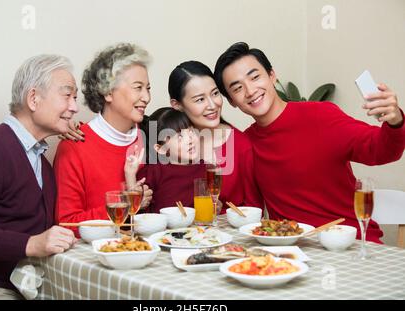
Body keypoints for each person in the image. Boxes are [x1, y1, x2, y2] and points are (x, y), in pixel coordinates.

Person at [214, 42, 405, 243]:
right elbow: (249, 210)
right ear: (232, 101)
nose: (250, 90)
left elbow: (382, 151)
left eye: (255, 77)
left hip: (351, 242)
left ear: (271, 76)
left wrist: (395, 121)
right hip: (295, 252)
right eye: (237, 88)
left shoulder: (320, 115)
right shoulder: (247, 144)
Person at [0, 54, 79, 300]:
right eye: (67, 96)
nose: (74, 107)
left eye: (75, 98)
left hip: (24, 283)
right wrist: (31, 244)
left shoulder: (40, 160)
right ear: (33, 98)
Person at [54, 43, 153, 236]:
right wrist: (126, 204)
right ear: (108, 91)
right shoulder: (74, 146)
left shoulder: (151, 136)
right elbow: (68, 224)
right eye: (138, 88)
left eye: (148, 88)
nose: (147, 97)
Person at [168, 61, 263, 212]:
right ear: (177, 105)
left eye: (215, 93)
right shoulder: (172, 146)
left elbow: (254, 210)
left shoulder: (241, 145)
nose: (213, 105)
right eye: (200, 99)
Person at [125, 107, 205, 212]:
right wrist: (130, 177)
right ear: (161, 148)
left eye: (191, 131)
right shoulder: (154, 171)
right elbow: (136, 207)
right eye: (180, 137)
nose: (190, 140)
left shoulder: (205, 168)